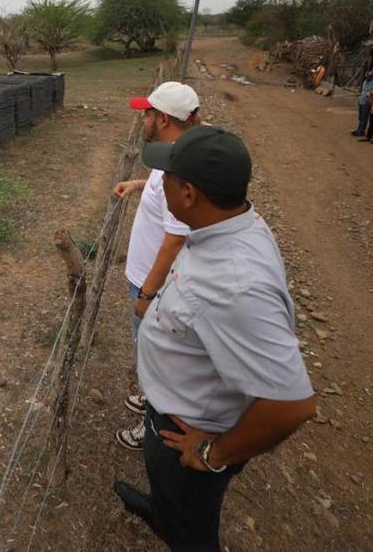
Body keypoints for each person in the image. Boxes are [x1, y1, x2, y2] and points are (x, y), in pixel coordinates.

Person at [113, 125, 317, 551]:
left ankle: (177, 526)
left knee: (193, 528)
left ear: (188, 193)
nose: (160, 185)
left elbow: (292, 405)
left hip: (187, 430)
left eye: (167, 179)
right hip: (175, 408)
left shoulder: (235, 286)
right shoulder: (232, 224)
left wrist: (213, 454)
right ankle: (162, 512)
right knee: (172, 498)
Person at [112, 82, 198, 451]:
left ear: (163, 119)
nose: (142, 119)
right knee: (151, 357)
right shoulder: (175, 157)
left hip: (156, 287)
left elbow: (174, 239)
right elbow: (162, 189)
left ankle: (151, 429)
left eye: (147, 113)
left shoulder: (180, 170)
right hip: (150, 281)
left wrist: (147, 293)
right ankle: (151, 402)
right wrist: (139, 184)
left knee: (155, 362)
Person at [351, 70, 373, 136]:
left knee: (364, 118)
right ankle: (358, 129)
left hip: (367, 103)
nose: (367, 78)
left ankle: (361, 131)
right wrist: (359, 100)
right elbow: (363, 91)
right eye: (367, 77)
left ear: (372, 77)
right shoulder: (364, 82)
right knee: (360, 117)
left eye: (369, 77)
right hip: (361, 101)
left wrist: (371, 101)